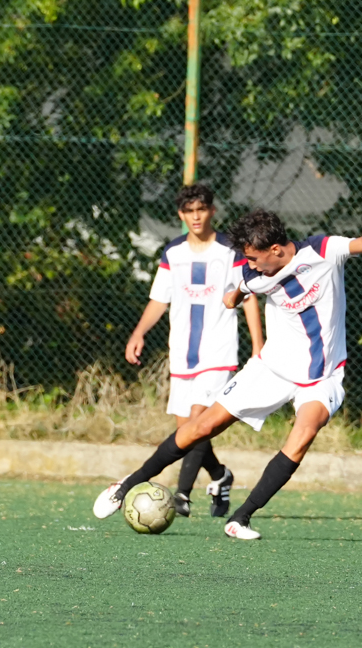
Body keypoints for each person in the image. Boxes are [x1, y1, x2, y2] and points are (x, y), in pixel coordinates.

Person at [95, 209, 362, 539]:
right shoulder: (255, 274)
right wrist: (234, 295)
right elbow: (237, 291)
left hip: (322, 376)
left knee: (304, 433)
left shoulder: (321, 250)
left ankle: (241, 518)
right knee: (202, 427)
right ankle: (126, 485)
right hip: (271, 369)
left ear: (275, 249)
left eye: (252, 258)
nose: (249, 264)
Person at [124, 184, 264, 518]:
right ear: (181, 215)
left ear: (212, 211)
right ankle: (220, 475)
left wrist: (258, 346)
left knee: (199, 421)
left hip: (218, 351)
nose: (196, 216)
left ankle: (182, 495)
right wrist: (138, 333)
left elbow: (248, 296)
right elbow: (159, 299)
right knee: (187, 432)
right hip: (182, 354)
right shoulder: (173, 253)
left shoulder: (229, 250)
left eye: (201, 209)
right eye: (189, 211)